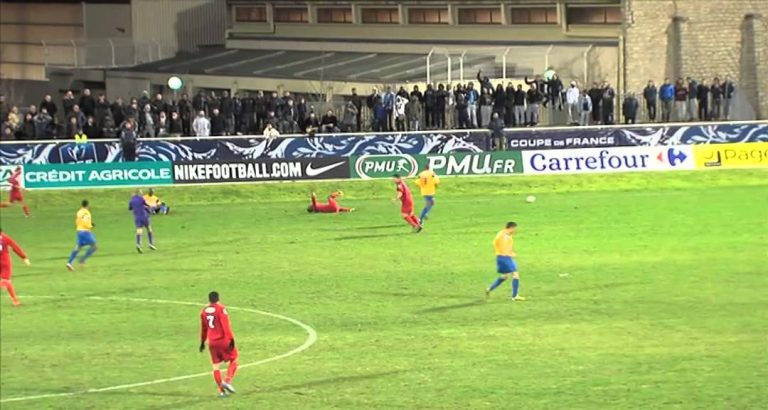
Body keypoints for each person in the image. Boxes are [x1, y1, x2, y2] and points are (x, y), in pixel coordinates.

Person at [199, 291, 238, 398]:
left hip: (212, 342)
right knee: (234, 360)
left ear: (209, 300)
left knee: (216, 366)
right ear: (218, 299)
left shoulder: (203, 311)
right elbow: (226, 325)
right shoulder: (221, 309)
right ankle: (227, 381)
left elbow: (204, 329)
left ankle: (222, 391)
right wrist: (231, 339)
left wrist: (202, 342)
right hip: (223, 340)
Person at [485, 222, 524, 301]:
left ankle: (489, 289)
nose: (515, 230)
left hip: (500, 257)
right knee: (515, 274)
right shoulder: (505, 236)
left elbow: (495, 243)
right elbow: (504, 247)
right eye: (515, 228)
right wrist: (510, 254)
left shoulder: (501, 233)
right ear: (511, 227)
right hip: (505, 257)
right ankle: (515, 296)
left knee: (505, 276)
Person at [0, 229, 30, 306]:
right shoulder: (5, 237)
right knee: (6, 281)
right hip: (5, 262)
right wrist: (24, 257)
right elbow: (15, 246)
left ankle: (15, 300)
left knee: (6, 281)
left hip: (3, 262)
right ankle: (15, 300)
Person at [66, 200, 97, 271]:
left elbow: (77, 221)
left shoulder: (79, 212)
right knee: (94, 246)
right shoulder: (86, 212)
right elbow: (86, 222)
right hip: (85, 231)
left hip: (79, 231)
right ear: (87, 205)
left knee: (78, 247)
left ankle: (69, 263)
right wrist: (91, 226)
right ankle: (82, 260)